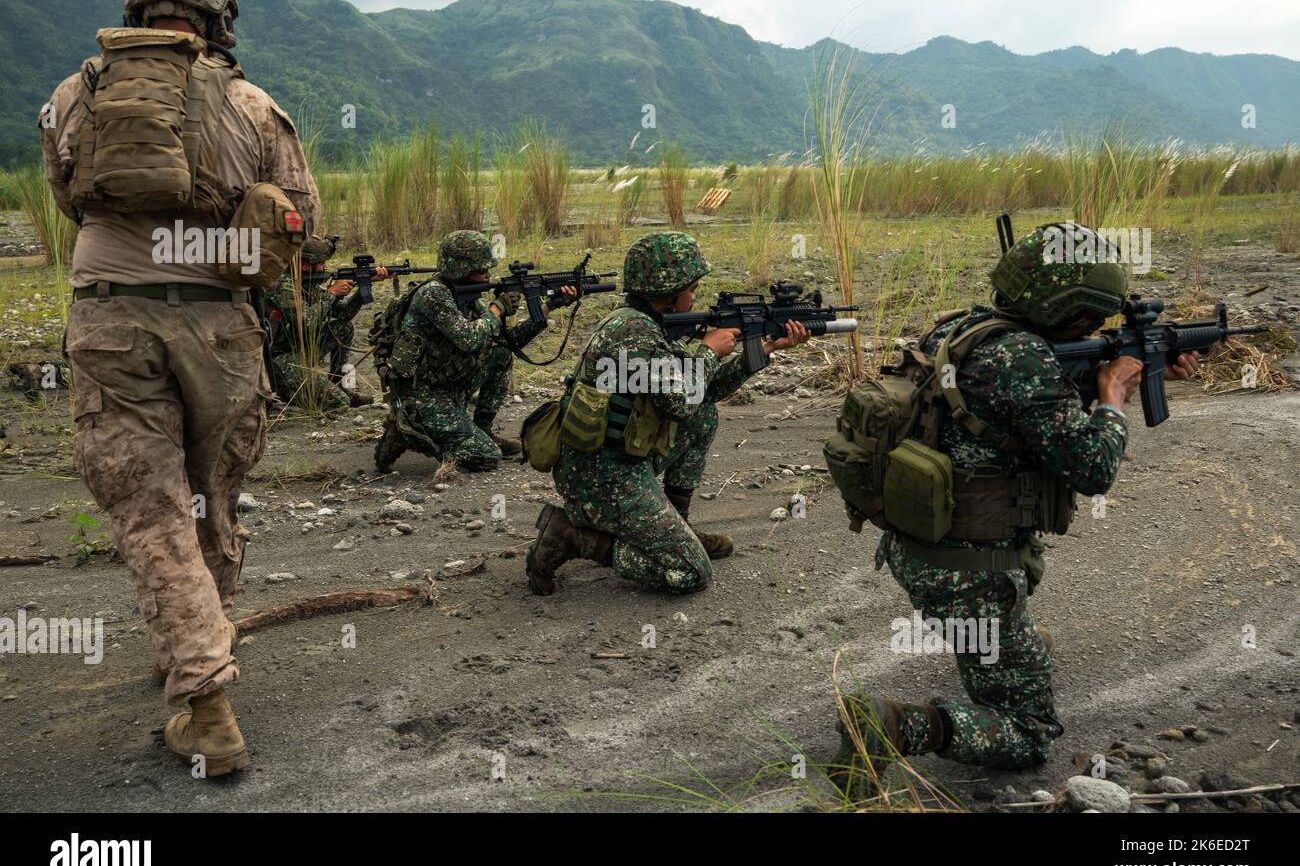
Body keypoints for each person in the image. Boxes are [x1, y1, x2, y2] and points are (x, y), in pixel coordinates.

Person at [41, 0, 319, 777]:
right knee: (209, 499)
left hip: (112, 323)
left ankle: (201, 689)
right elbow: (298, 216)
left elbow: (63, 197)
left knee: (150, 510)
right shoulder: (254, 106)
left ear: (135, 9)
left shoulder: (72, 96)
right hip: (219, 328)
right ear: (215, 15)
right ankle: (204, 667)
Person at [833, 223, 1198, 793]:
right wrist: (1114, 397)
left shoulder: (962, 328)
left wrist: (1137, 368)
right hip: (970, 575)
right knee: (1029, 733)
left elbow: (1014, 412)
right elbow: (1092, 469)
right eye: (1089, 318)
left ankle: (1000, 648)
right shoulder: (1025, 359)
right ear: (1068, 309)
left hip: (919, 547)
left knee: (1019, 649)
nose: (1093, 328)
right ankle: (892, 728)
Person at [527, 231, 811, 596]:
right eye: (692, 288)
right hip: (602, 479)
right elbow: (680, 400)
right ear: (670, 291)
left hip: (617, 463)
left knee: (703, 414)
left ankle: (678, 523)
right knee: (690, 573)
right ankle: (571, 538)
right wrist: (709, 351)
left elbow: (700, 394)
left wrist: (764, 351)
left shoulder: (644, 324)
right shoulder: (633, 332)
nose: (695, 296)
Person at [374, 229, 574, 472]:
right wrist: (496, 309)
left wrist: (549, 306)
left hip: (448, 385)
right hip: (422, 395)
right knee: (485, 457)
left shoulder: (468, 298)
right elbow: (470, 339)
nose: (488, 275)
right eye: (481, 271)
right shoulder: (433, 294)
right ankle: (406, 431)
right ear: (460, 270)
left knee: (500, 354)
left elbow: (509, 342)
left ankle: (482, 429)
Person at [265, 234, 380, 410]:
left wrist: (364, 285)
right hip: (279, 361)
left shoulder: (308, 285)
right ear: (304, 265)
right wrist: (332, 293)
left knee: (343, 328)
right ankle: (285, 394)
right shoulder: (283, 285)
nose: (324, 267)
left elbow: (343, 314)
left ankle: (340, 383)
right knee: (339, 403)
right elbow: (307, 322)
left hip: (301, 352)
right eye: (320, 263)